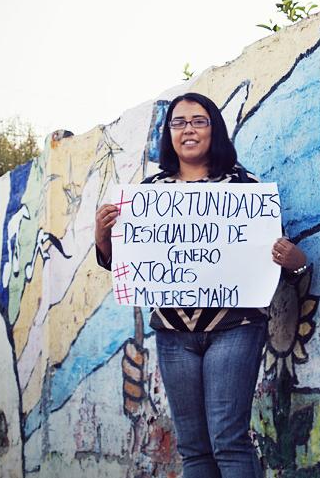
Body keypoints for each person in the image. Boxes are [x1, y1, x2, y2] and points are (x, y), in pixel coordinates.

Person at [95, 92, 308, 478]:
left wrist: (295, 261)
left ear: (215, 130)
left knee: (228, 441)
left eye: (199, 120)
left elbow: (279, 258)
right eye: (179, 122)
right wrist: (102, 234)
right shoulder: (149, 193)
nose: (188, 129)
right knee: (194, 450)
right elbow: (125, 265)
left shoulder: (245, 187)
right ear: (168, 133)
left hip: (236, 329)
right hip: (174, 334)